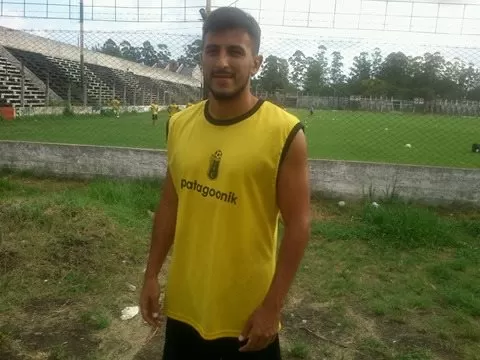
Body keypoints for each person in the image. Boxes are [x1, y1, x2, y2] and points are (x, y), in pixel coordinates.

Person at [140, 6, 310, 360]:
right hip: (185, 305)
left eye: (235, 51)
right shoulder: (179, 124)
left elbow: (298, 226)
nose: (222, 62)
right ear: (201, 58)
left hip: (247, 316)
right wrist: (152, 274)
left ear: (256, 62)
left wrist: (272, 308)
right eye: (212, 50)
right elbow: (170, 205)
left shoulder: (284, 132)